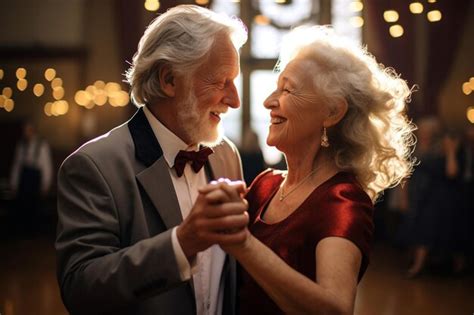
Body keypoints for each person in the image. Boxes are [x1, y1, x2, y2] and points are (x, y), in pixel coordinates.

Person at [201, 25, 415, 314]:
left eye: (287, 90)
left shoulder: (343, 201)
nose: (268, 102)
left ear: (332, 112)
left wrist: (244, 245)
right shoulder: (265, 185)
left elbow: (335, 308)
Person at [55, 5, 249, 315]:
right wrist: (181, 243)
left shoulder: (226, 156)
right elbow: (80, 288)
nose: (235, 100)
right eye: (220, 81)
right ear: (170, 79)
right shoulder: (95, 166)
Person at [10, 120, 53, 235]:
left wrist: (45, 184)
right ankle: (23, 231)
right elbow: (17, 165)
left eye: (28, 130)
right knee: (23, 205)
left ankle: (33, 232)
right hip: (24, 177)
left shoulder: (42, 144)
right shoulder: (21, 145)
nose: (26, 133)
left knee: (34, 206)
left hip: (35, 177)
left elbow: (46, 165)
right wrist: (14, 183)